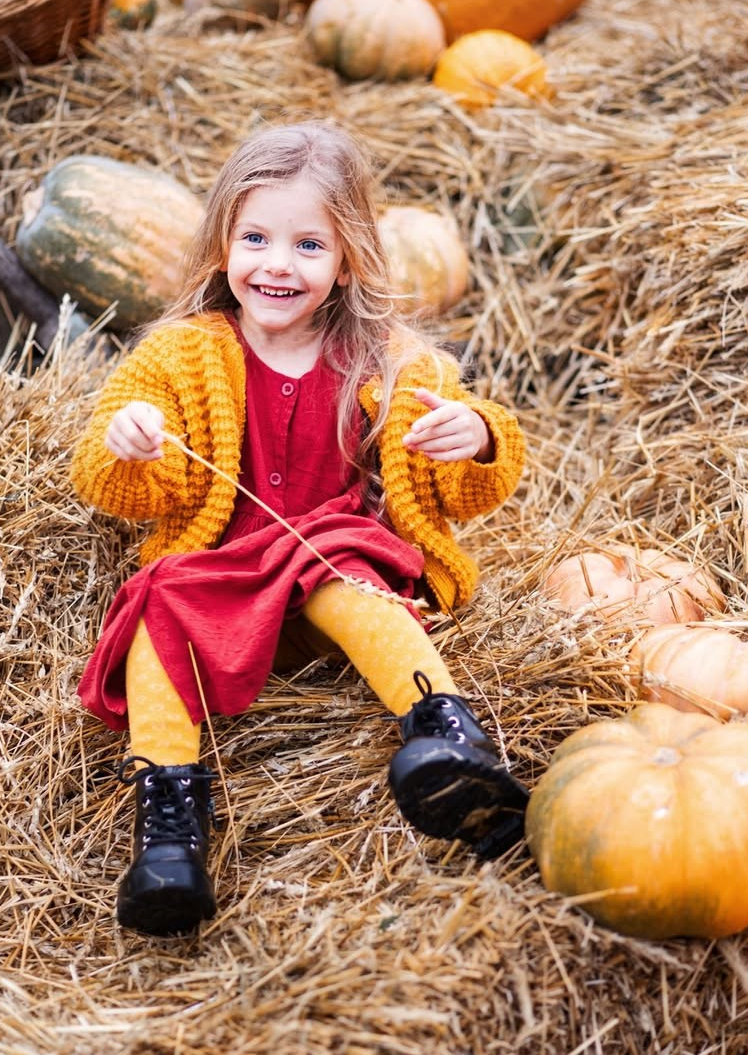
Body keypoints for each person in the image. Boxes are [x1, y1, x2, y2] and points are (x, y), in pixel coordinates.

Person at [70, 121, 528, 938]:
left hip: (332, 560)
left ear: (347, 260)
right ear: (220, 248)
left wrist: (478, 435)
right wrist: (129, 438)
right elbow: (103, 476)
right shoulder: (177, 356)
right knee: (155, 609)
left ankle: (449, 740)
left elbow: (466, 486)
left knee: (352, 582)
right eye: (256, 238)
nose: (277, 265)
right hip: (223, 574)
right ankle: (170, 827)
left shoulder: (391, 362)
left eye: (308, 245)